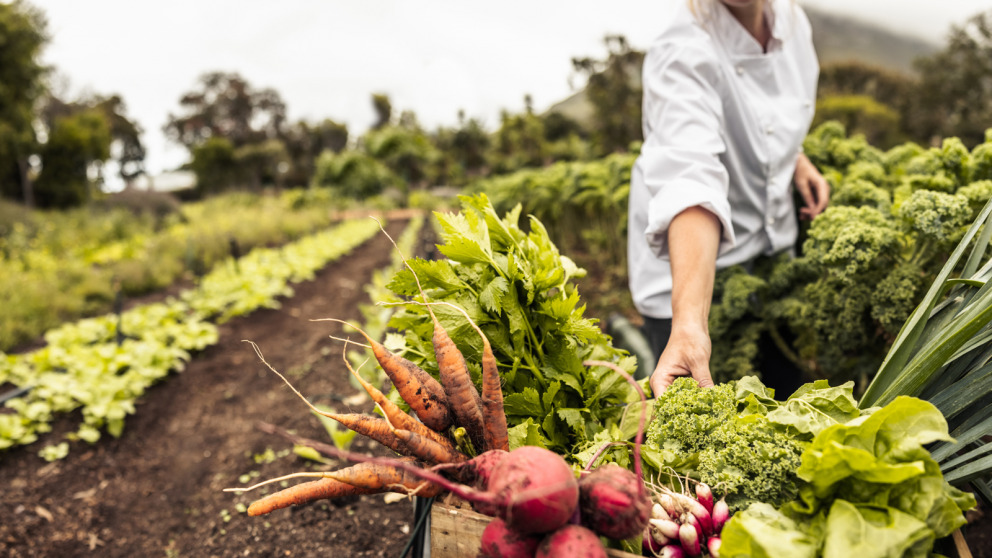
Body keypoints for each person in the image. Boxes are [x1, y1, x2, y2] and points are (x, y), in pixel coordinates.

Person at [627, 0, 831, 397]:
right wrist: (688, 325)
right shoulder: (682, 49)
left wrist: (795, 158)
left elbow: (769, 113)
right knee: (707, 429)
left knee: (785, 388)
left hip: (767, 249)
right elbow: (690, 178)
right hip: (688, 269)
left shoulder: (791, 21)